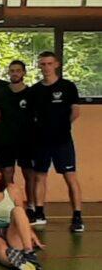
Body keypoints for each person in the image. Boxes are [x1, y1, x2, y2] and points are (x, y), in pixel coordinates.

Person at [29, 51, 84, 231]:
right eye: (43, 64)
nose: (46, 67)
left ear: (56, 64)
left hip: (62, 141)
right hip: (41, 141)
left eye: (49, 63)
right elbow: (32, 116)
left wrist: (60, 127)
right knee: (39, 176)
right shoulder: (35, 90)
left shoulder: (68, 86)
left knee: (70, 177)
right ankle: (39, 213)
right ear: (39, 66)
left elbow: (75, 112)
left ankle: (77, 217)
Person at [0, 61, 34, 218]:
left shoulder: (31, 94)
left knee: (29, 174)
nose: (15, 73)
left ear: (24, 73)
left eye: (18, 70)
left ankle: (31, 206)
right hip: (6, 140)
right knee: (7, 173)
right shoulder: (0, 94)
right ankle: (10, 204)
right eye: (12, 71)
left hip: (27, 141)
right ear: (8, 73)